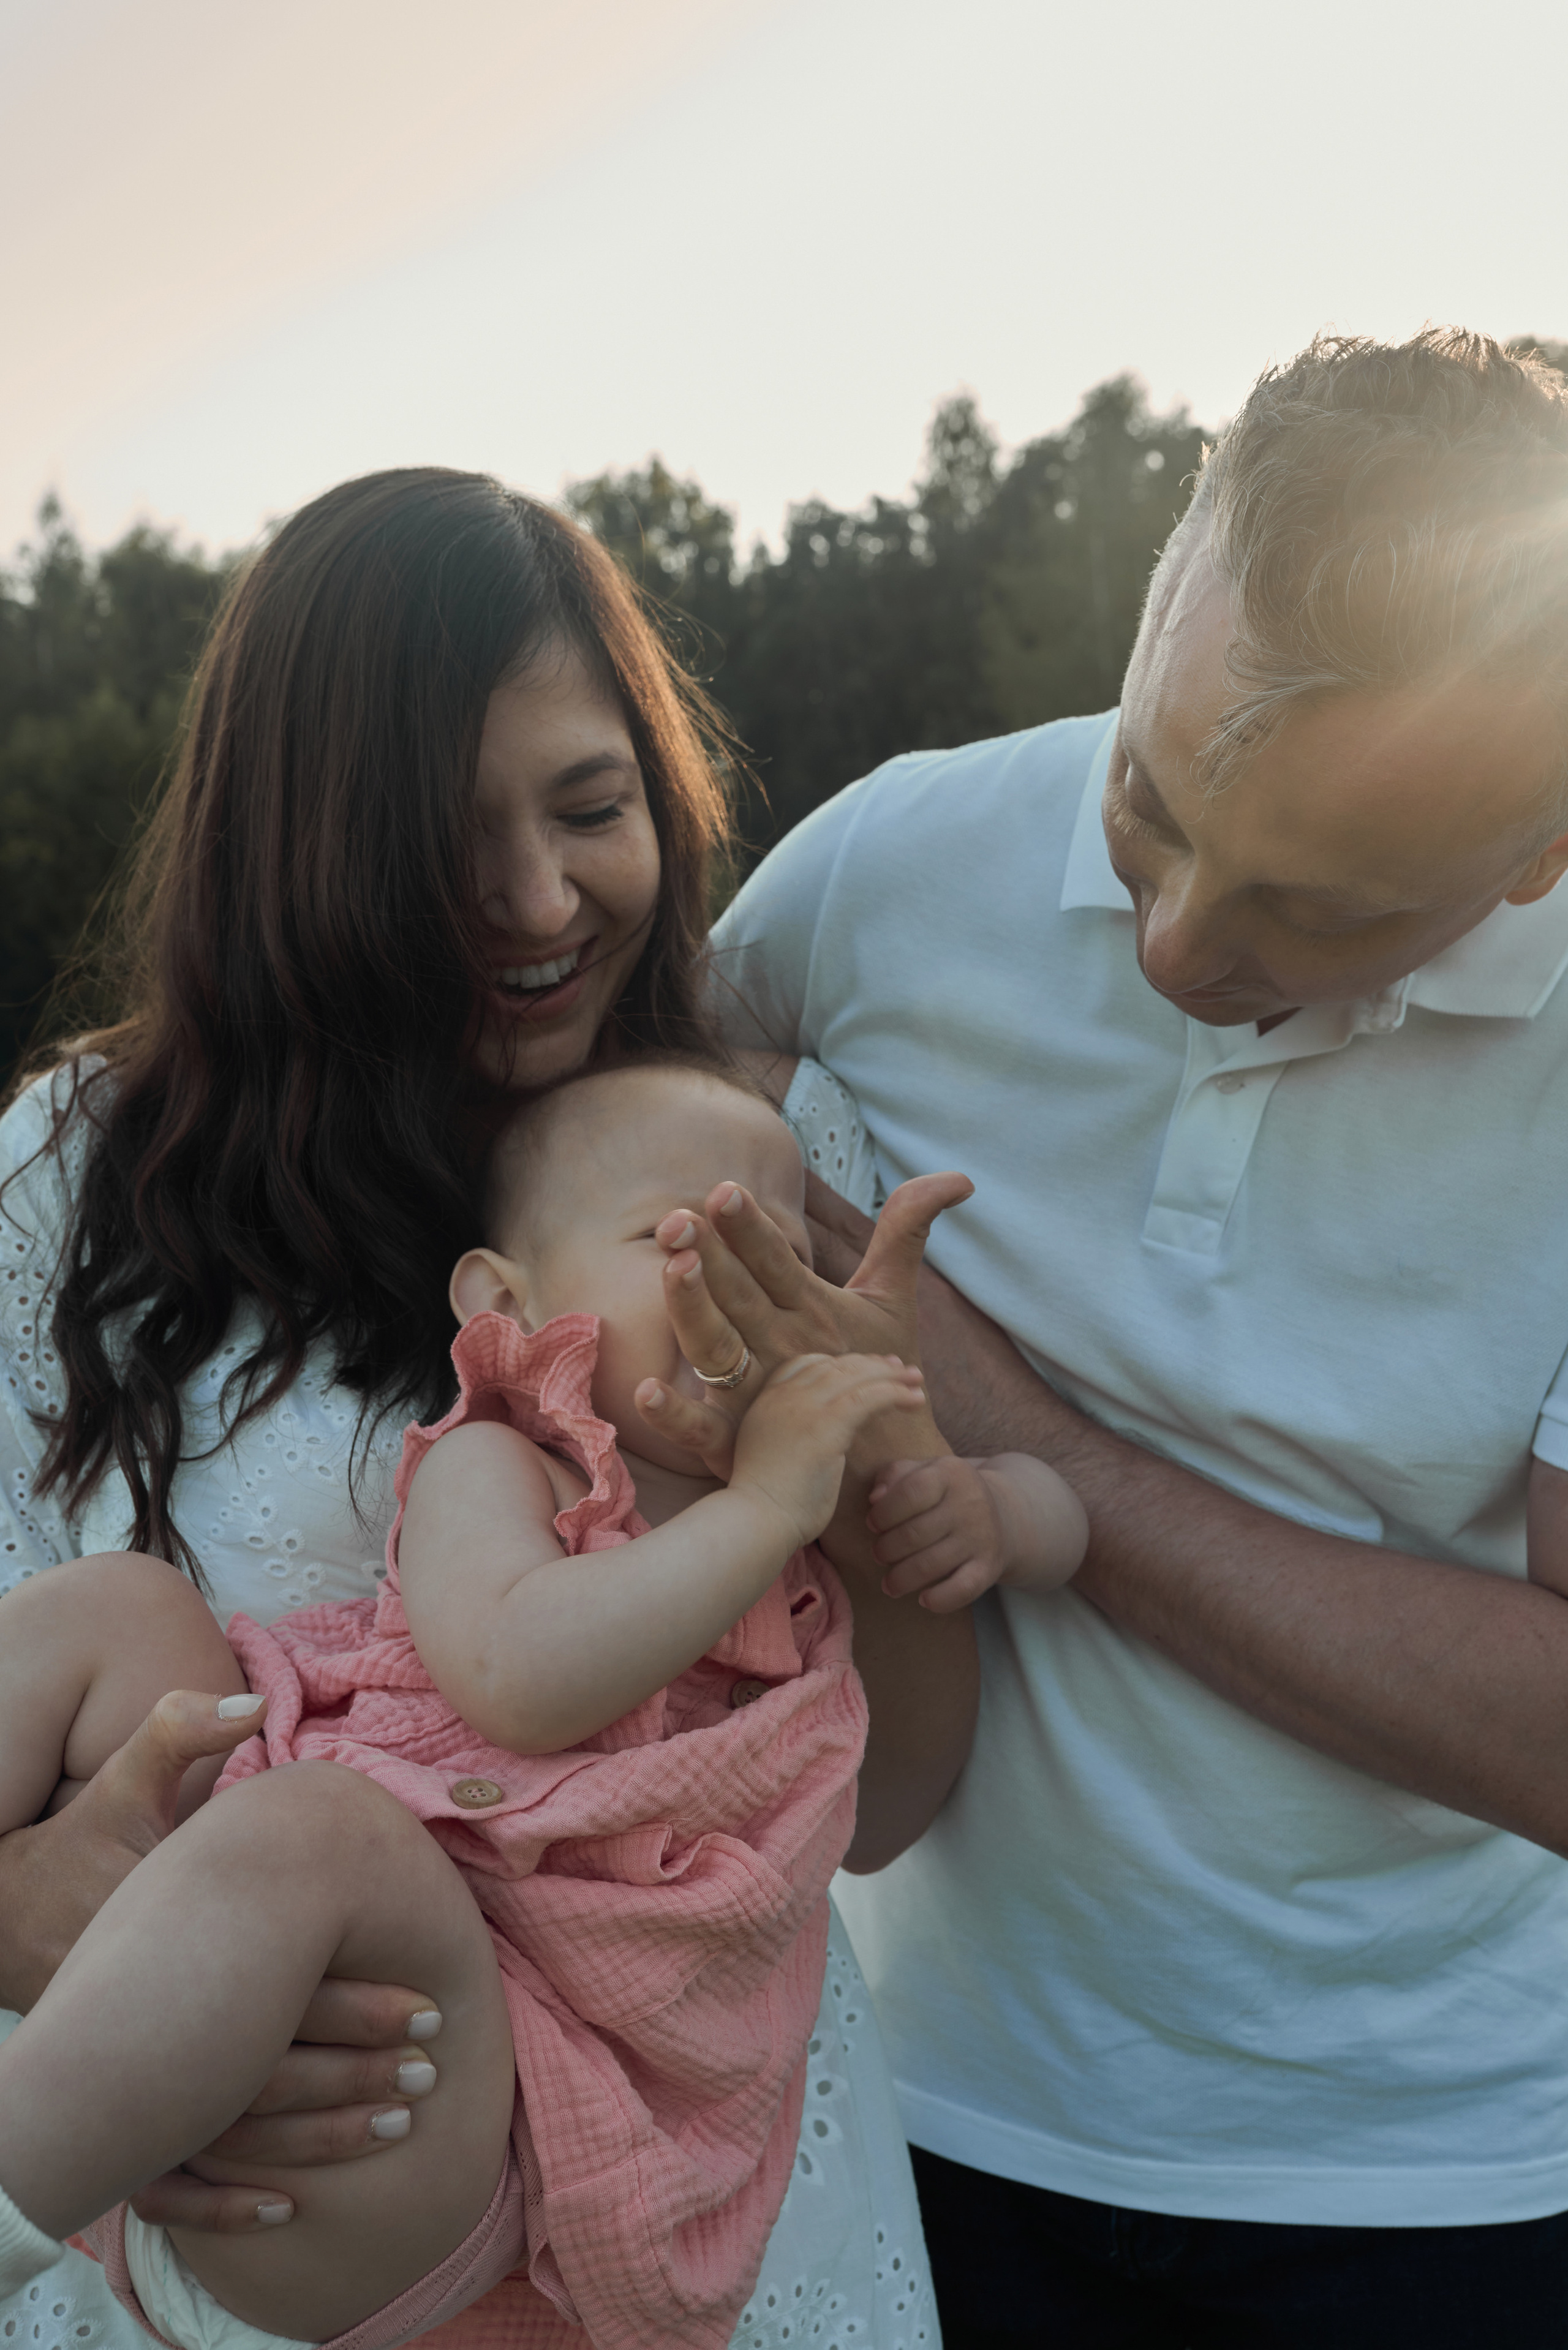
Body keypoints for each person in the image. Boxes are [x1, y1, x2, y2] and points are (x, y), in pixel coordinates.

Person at [0, 470, 962, 2350]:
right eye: (441, 844)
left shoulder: (752, 1148)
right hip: (170, 2199)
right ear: (297, 852)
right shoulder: (70, 1174)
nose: (535, 900)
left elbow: (889, 1798)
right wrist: (29, 1914)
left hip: (636, 2142)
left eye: (592, 806)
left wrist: (849, 1474)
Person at [699, 330, 1568, 2346]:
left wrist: (1028, 1448)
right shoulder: (878, 871)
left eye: (1322, 906)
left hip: (1444, 2188)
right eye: (1147, 804)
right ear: (1170, 557)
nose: (1181, 937)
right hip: (901, 2112)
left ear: (1540, 850)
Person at [0, 1055, 1091, 2349]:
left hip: (474, 2110)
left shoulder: (803, 1520)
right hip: (238, 1975)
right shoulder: (500, 1459)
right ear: (506, 1301)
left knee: (318, 1834)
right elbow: (519, 1676)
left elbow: (1051, 1519)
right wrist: (767, 1507)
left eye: (780, 1252)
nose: (728, 1288)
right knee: (121, 1607)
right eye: (672, 1239)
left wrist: (966, 1500)